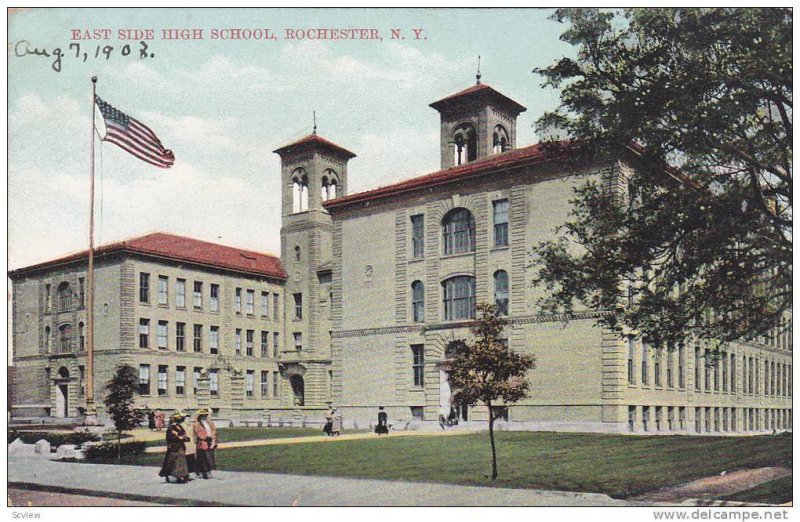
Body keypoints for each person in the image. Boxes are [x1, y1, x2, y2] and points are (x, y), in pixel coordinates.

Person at [158, 412, 190, 484]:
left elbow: (185, 436)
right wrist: (180, 437)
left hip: (180, 446)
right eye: (179, 419)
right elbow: (171, 438)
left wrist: (182, 437)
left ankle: (182, 475)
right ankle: (177, 476)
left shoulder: (180, 427)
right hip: (174, 447)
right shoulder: (171, 428)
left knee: (181, 462)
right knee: (173, 462)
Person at [192, 409, 218, 479]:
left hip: (210, 442)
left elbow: (214, 430)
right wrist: (205, 437)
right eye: (203, 415)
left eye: (206, 415)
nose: (205, 416)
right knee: (202, 458)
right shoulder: (197, 424)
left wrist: (213, 438)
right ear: (200, 416)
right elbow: (197, 433)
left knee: (209, 458)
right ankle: (203, 472)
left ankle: (208, 471)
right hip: (202, 443)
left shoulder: (210, 423)